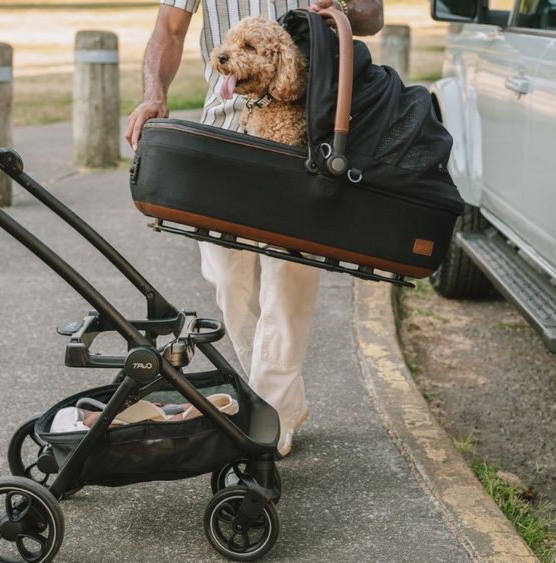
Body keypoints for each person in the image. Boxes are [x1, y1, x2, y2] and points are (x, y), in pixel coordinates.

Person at [126, 0, 384, 456]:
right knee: (230, 284)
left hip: (304, 139)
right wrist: (154, 93)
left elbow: (372, 15)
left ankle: (269, 423)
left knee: (287, 288)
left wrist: (341, 6)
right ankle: (278, 401)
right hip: (224, 134)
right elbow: (169, 29)